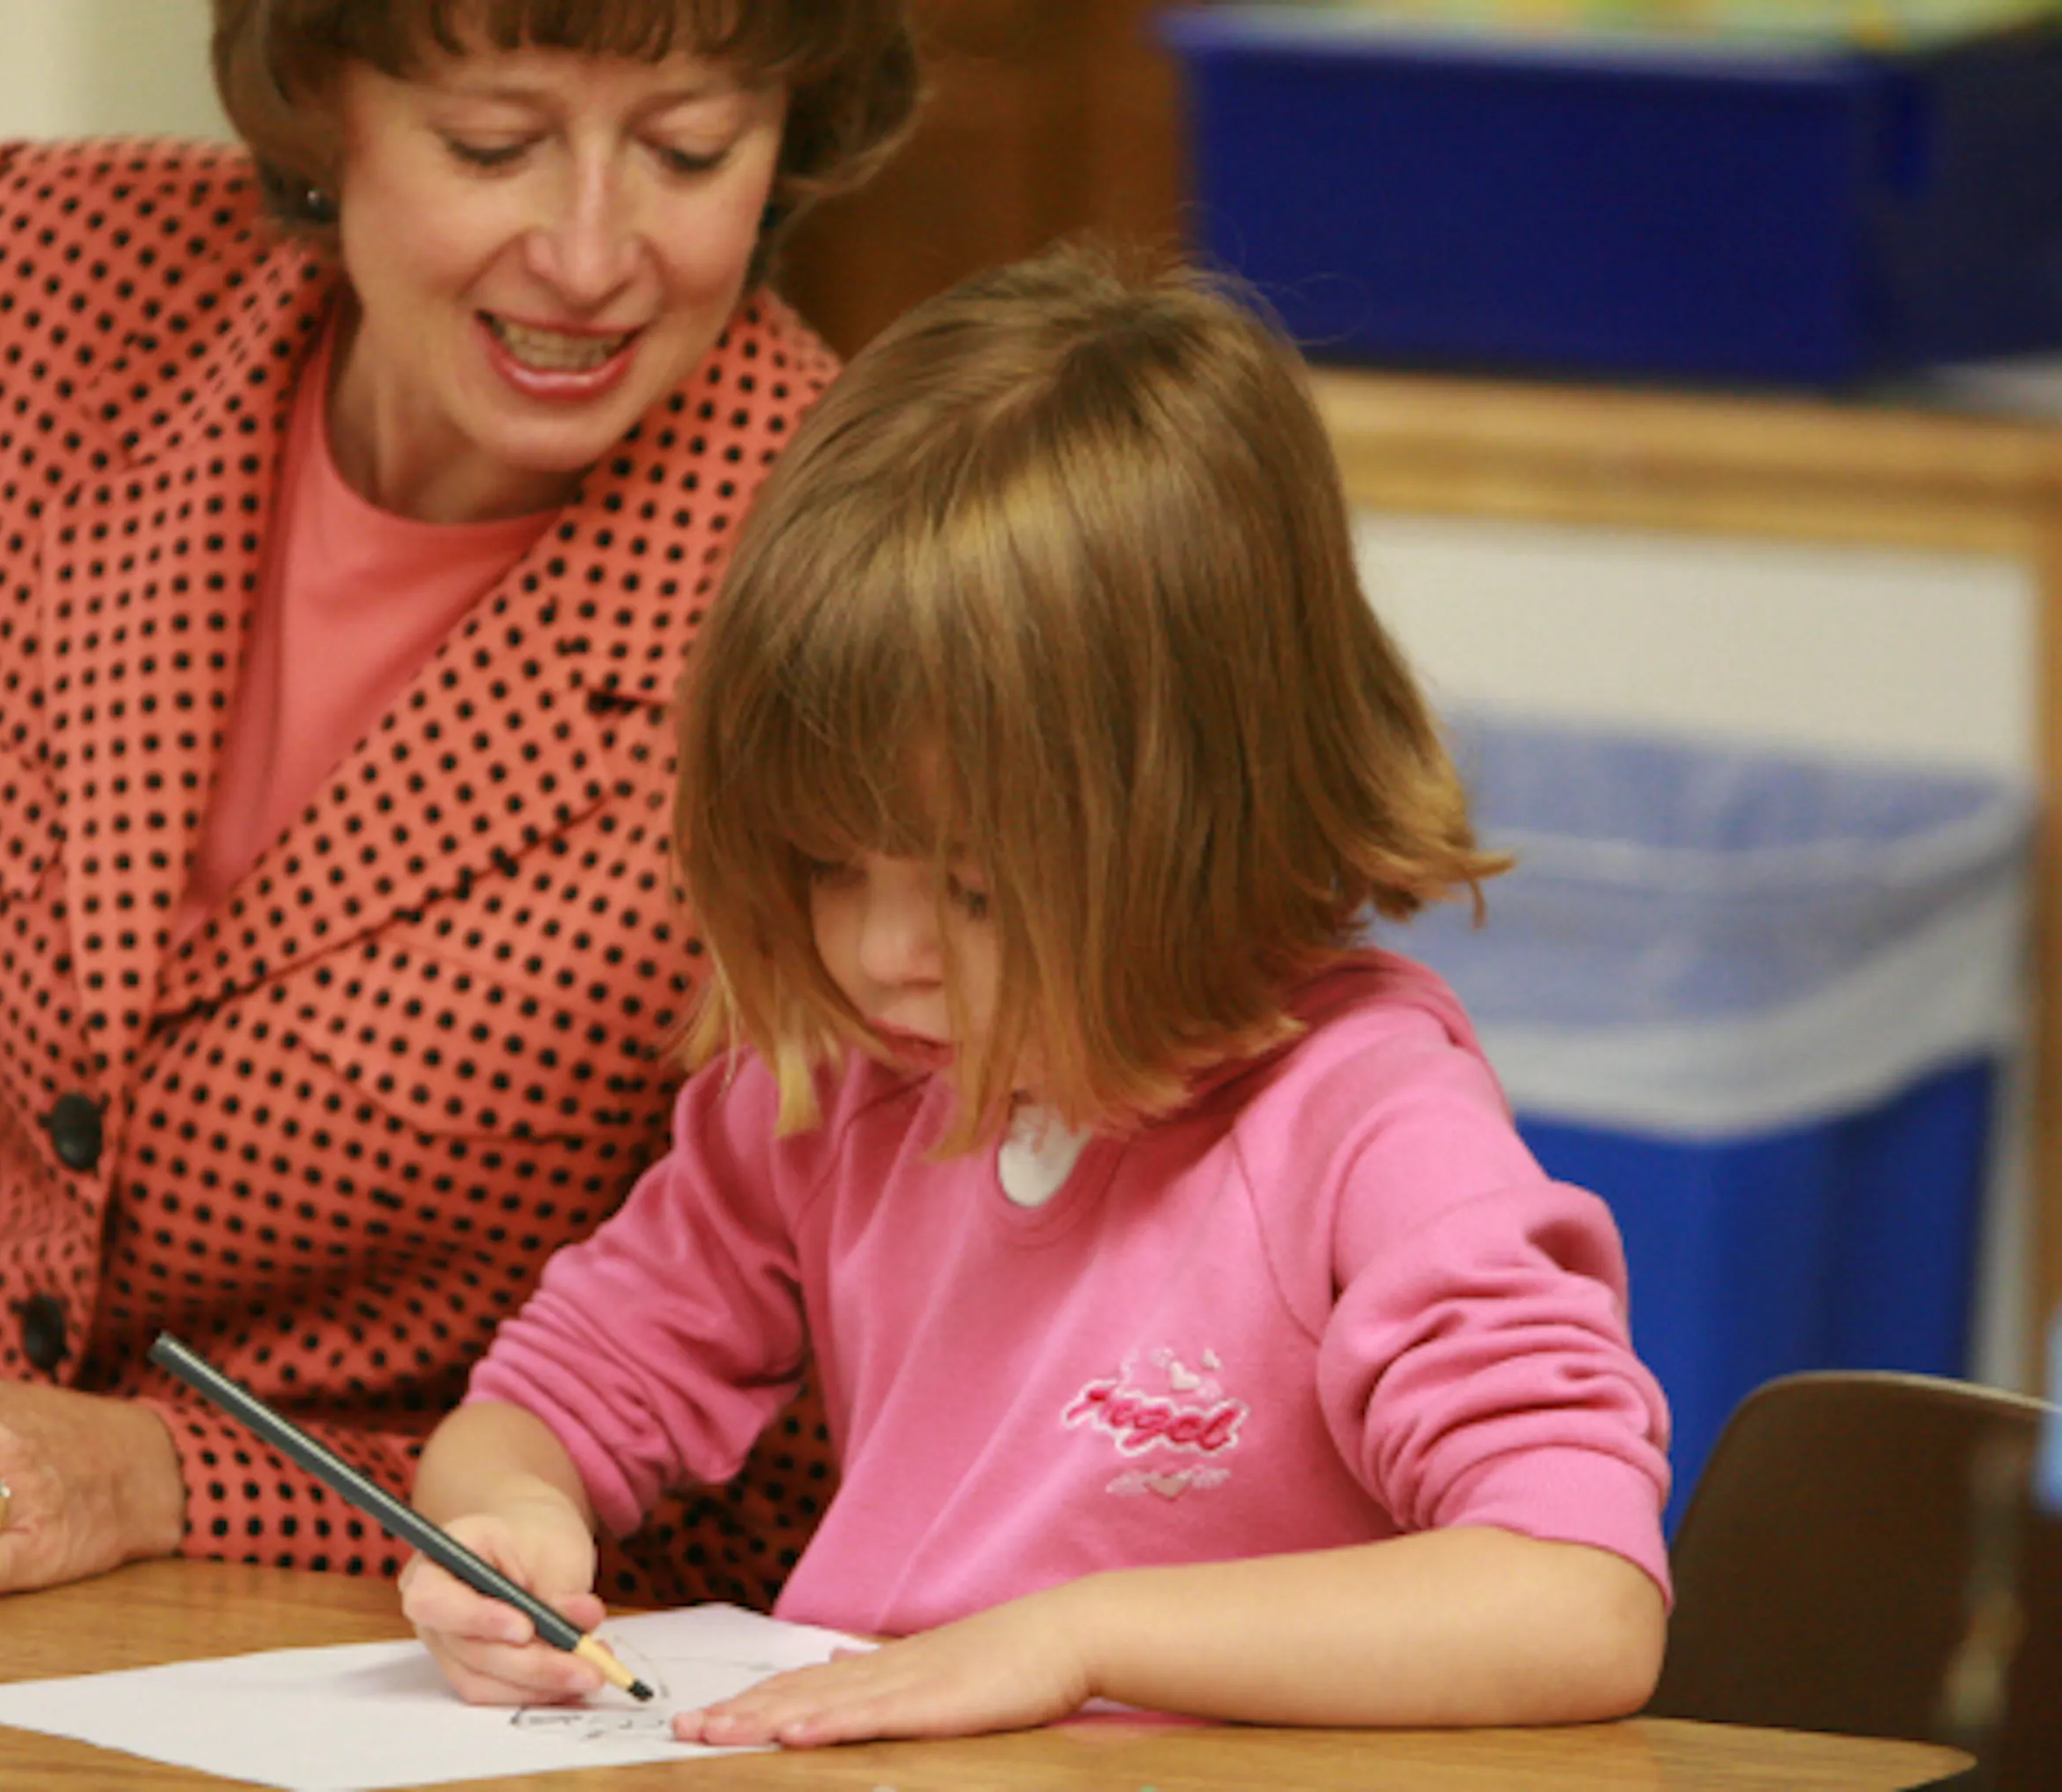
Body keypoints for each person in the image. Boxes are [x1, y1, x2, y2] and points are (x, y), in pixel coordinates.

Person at [0, 0, 918, 1620]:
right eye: (493, 144)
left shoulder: (852, 588)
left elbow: (803, 1462)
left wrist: (167, 1476)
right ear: (321, 97)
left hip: (383, 1638)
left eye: (689, 152)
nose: (589, 255)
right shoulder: (34, 288)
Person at [399, 246, 1674, 1742]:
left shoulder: (1366, 1124)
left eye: (978, 890)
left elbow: (1578, 1599)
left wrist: (1080, 1641)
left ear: (1208, 818)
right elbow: (545, 1403)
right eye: (830, 866)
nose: (885, 952)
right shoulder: (843, 1079)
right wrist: (505, 1528)